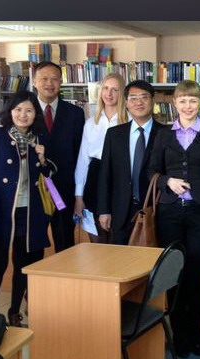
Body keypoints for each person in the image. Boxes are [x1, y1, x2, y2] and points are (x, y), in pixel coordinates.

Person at [149, 80, 200, 358]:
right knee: (175, 273)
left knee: (196, 273)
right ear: (174, 104)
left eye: (193, 100)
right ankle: (179, 333)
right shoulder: (163, 135)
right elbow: (151, 172)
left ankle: (196, 331)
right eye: (183, 101)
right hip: (170, 213)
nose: (188, 106)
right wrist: (167, 181)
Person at [0, 91, 56, 327]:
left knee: (22, 265)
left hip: (29, 212)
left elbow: (49, 175)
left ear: (35, 114)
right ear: (10, 111)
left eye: (28, 110)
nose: (23, 115)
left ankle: (14, 311)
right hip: (1, 209)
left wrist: (42, 159)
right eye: (18, 110)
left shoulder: (39, 138)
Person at [97, 80, 163, 245]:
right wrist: (104, 210)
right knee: (120, 258)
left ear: (153, 100)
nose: (139, 102)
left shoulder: (166, 133)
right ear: (126, 103)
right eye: (133, 98)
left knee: (153, 257)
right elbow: (105, 174)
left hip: (155, 210)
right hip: (120, 210)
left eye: (144, 97)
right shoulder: (114, 134)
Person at [33, 61, 85, 252]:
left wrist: (79, 191)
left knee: (65, 244)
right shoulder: (24, 111)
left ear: (61, 82)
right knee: (33, 244)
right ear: (34, 82)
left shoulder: (75, 113)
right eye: (44, 79)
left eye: (54, 79)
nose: (49, 83)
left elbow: (80, 153)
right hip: (34, 188)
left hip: (64, 188)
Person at [74, 73, 128, 243]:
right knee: (97, 239)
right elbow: (83, 162)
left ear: (122, 93)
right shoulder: (91, 123)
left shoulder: (129, 121)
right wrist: (78, 197)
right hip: (95, 180)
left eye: (115, 89)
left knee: (118, 239)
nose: (109, 94)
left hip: (120, 179)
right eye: (105, 88)